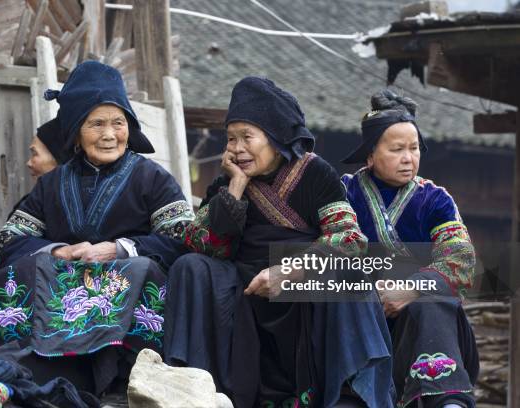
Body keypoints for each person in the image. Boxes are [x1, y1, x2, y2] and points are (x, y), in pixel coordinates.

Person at [0, 61, 193, 395]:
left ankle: (121, 380)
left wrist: (118, 250)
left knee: (140, 269)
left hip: (125, 292)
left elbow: (182, 236)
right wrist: (58, 251)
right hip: (58, 287)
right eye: (97, 124)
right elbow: (9, 239)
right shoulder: (52, 184)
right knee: (19, 273)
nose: (110, 135)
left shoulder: (152, 178)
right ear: (77, 130)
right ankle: (21, 370)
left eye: (118, 123)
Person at [164, 77, 394, 408]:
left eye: (247, 137)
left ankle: (348, 398)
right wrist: (236, 191)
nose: (238, 148)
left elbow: (348, 238)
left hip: (301, 287)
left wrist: (291, 271)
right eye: (231, 139)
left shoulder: (315, 174)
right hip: (245, 288)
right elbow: (205, 247)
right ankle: (193, 388)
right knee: (190, 267)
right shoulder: (224, 184)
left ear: (275, 138)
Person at [341, 90, 479, 408]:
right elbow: (332, 249)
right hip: (364, 319)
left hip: (426, 329)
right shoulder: (344, 193)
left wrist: (410, 289)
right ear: (370, 155)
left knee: (430, 300)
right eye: (397, 149)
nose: (409, 158)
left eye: (414, 148)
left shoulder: (435, 199)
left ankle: (446, 400)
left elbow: (460, 259)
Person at [0, 118, 70, 276]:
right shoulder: (32, 204)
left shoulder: (71, 207)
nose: (28, 163)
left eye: (34, 153)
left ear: (58, 158)